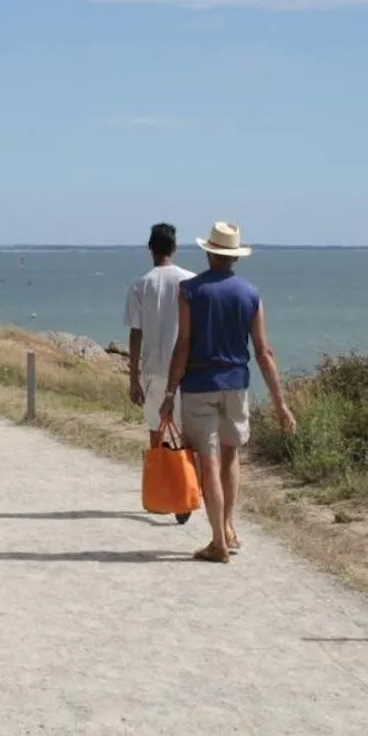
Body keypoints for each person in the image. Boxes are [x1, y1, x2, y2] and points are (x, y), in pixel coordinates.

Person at [160, 222, 296, 563]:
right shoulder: (250, 294)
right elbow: (264, 352)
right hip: (236, 385)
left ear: (209, 252)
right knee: (231, 457)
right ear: (235, 257)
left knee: (208, 463)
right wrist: (281, 404)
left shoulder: (189, 290)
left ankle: (218, 541)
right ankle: (230, 528)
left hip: (198, 386)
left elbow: (183, 345)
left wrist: (168, 392)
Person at [126, 223, 195, 522]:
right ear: (174, 248)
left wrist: (132, 377)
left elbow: (135, 333)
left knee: (156, 432)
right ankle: (186, 491)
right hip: (187, 370)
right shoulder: (190, 281)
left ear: (150, 248)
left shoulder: (141, 285)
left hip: (154, 370)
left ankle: (161, 491)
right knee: (187, 434)